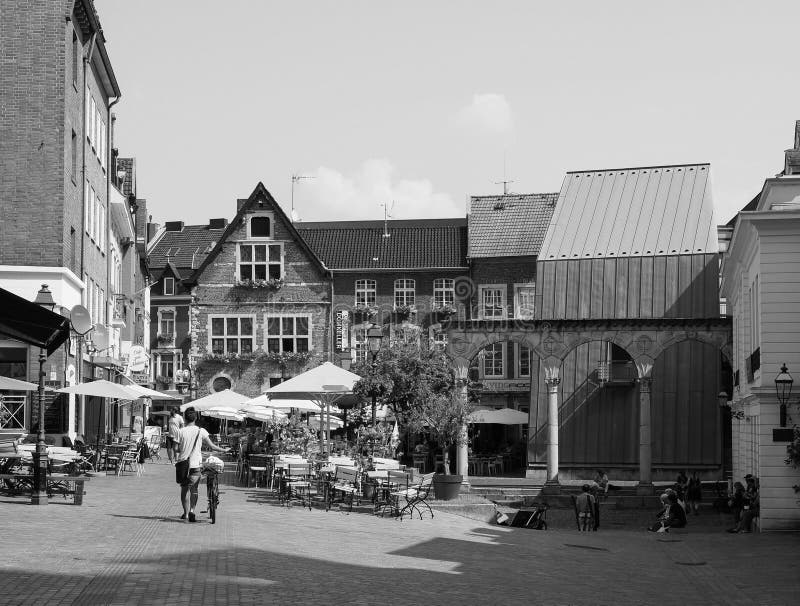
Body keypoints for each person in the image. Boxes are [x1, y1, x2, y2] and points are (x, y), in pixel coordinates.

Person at [175, 408, 228, 522]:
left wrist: (183, 449)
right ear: (196, 418)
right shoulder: (201, 431)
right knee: (194, 489)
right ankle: (192, 510)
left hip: (183, 465)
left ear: (184, 418)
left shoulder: (180, 431)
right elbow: (212, 446)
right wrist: (224, 450)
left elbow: (175, 448)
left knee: (184, 490)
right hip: (195, 464)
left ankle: (185, 514)